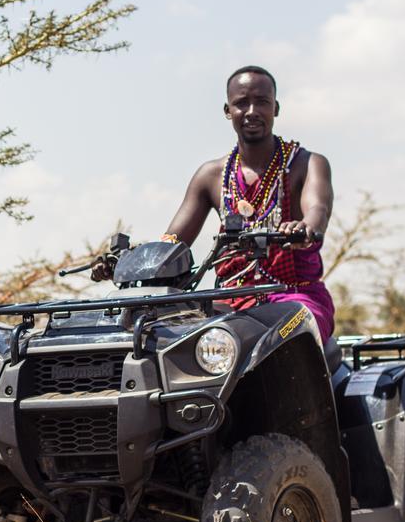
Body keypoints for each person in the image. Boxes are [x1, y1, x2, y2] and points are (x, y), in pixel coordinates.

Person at [98, 65, 336, 340]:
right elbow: (171, 244)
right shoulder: (211, 176)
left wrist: (304, 229)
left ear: (276, 108)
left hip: (296, 297)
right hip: (230, 301)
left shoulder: (307, 164)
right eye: (241, 103)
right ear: (227, 110)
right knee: (162, 336)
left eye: (262, 102)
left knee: (288, 337)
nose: (251, 111)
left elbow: (318, 210)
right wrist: (124, 263)